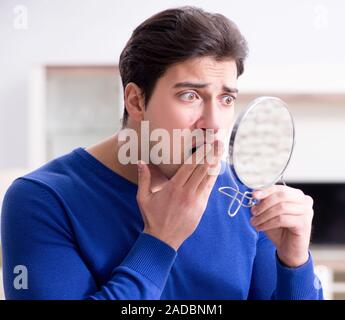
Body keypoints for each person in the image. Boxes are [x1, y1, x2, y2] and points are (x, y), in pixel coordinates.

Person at [1, 6, 323, 300]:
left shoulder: (244, 195)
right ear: (136, 101)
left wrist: (294, 262)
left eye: (226, 99)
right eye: (190, 95)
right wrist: (160, 240)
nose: (213, 123)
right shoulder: (41, 199)